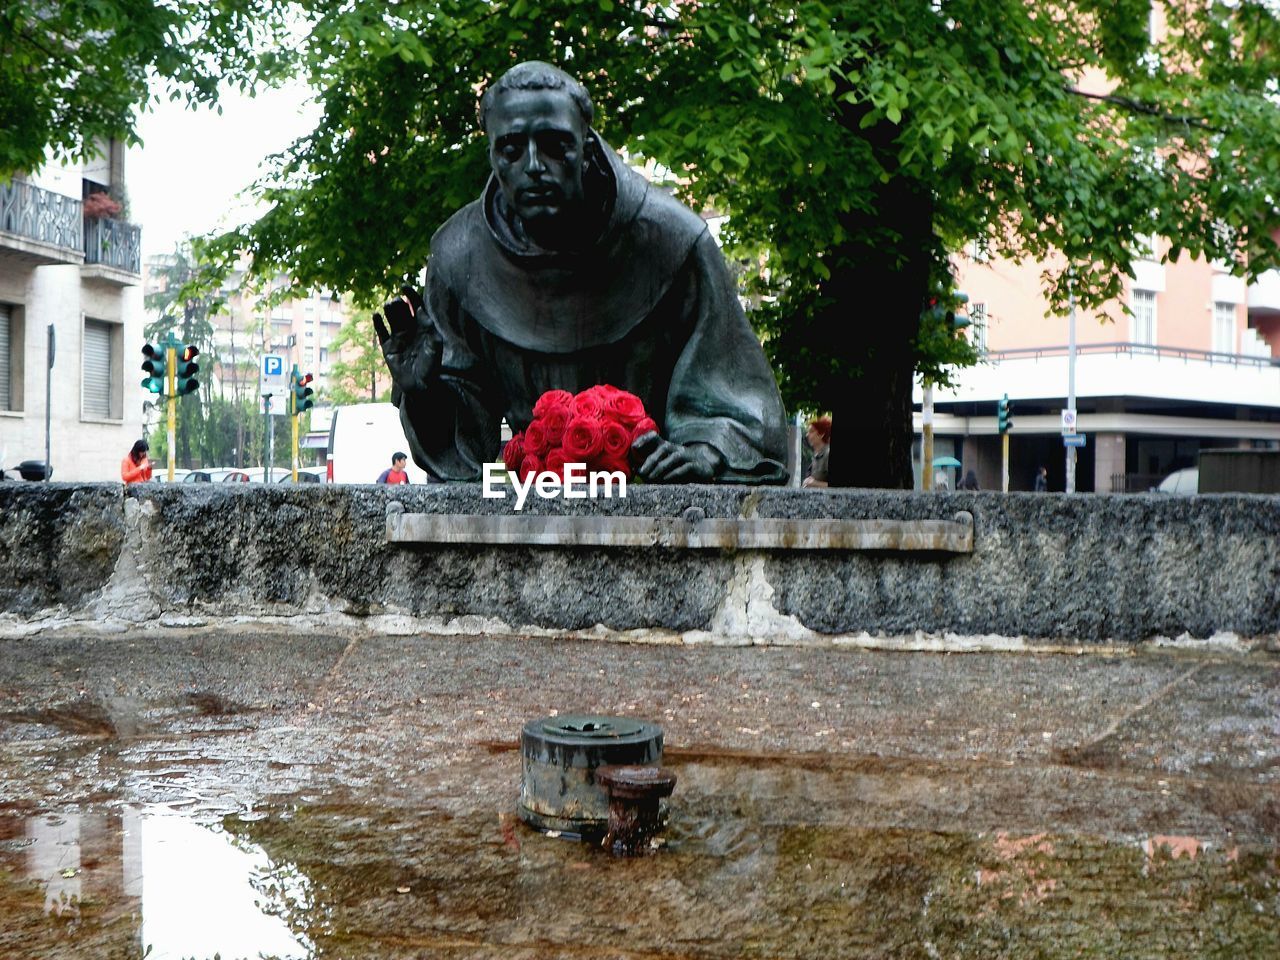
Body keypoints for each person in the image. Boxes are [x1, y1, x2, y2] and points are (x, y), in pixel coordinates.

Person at [375, 61, 788, 484]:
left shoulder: (673, 242)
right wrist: (424, 396)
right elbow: (472, 450)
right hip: (530, 497)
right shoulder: (457, 256)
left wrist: (705, 450)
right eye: (512, 150)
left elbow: (736, 399)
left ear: (587, 149)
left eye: (555, 146)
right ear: (493, 156)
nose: (533, 166)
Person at [802, 416, 830, 488]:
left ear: (821, 434)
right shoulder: (816, 455)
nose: (807, 435)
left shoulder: (827, 454)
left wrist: (815, 483)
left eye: (811, 431)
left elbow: (841, 489)